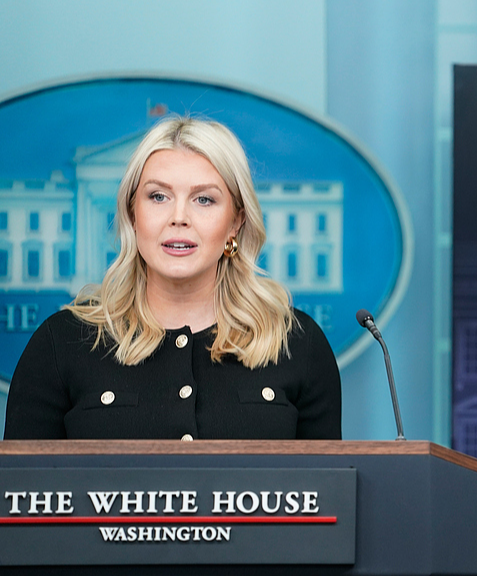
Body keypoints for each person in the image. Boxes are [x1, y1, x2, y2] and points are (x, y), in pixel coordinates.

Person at [4, 117, 341, 440]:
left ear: (236, 223)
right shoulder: (60, 343)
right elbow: (21, 493)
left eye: (204, 199)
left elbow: (329, 494)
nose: (179, 217)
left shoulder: (298, 344)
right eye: (158, 196)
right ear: (133, 215)